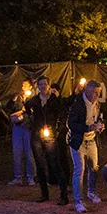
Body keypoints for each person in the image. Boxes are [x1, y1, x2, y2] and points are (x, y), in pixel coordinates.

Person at [27, 76, 71, 204]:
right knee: (40, 165)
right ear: (37, 86)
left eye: (45, 84)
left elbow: (63, 114)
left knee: (54, 163)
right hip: (37, 135)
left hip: (51, 135)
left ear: (49, 85)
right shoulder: (34, 100)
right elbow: (26, 109)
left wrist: (57, 131)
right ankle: (44, 194)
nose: (42, 86)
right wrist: (31, 122)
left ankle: (63, 195)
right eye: (40, 84)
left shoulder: (54, 100)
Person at [67, 79, 104, 213]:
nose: (97, 95)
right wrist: (88, 127)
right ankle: (78, 201)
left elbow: (97, 118)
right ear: (87, 91)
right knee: (79, 170)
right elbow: (71, 124)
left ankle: (91, 192)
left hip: (92, 140)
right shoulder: (78, 104)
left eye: (98, 93)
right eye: (95, 92)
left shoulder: (97, 104)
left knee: (94, 168)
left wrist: (99, 126)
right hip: (78, 141)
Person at [7, 78, 37, 186]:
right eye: (22, 85)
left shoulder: (33, 99)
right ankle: (18, 176)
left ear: (30, 87)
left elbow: (32, 112)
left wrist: (23, 112)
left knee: (29, 152)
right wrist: (14, 100)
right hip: (18, 126)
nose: (22, 87)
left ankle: (31, 176)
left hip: (28, 127)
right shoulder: (18, 98)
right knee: (17, 151)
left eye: (25, 85)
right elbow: (9, 108)